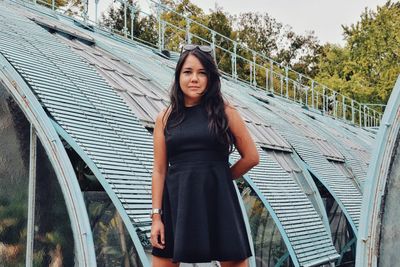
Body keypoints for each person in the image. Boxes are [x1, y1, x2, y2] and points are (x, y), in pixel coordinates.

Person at [150, 44, 260, 267]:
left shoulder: (226, 112)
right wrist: (156, 217)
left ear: (210, 78)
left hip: (218, 200)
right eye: (188, 72)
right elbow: (159, 170)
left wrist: (220, 179)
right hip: (176, 202)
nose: (194, 79)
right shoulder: (164, 117)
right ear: (178, 75)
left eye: (202, 73)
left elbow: (251, 157)